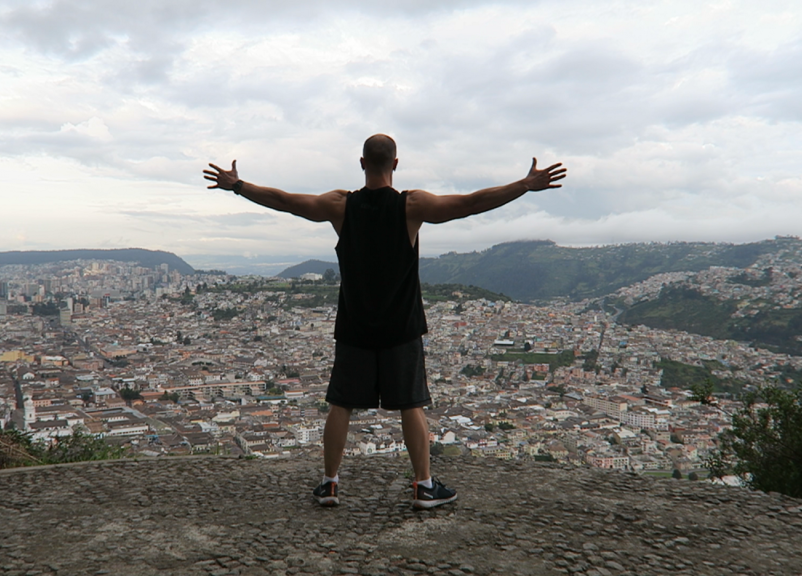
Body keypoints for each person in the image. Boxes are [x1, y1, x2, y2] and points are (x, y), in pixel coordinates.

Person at [203, 134, 566, 509]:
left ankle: (330, 484)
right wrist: (524, 185)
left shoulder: (340, 205)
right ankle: (423, 486)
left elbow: (285, 202)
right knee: (411, 404)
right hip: (401, 325)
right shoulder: (411, 205)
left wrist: (239, 186)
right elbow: (470, 204)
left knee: (341, 404)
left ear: (361, 163)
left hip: (355, 324)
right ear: (396, 164)